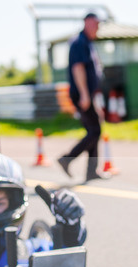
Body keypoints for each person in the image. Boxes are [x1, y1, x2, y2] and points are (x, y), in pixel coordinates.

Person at [57, 12, 109, 182]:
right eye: (95, 24)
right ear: (86, 22)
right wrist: (85, 95)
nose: (97, 28)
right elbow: (78, 69)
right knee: (95, 130)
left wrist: (92, 98)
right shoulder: (79, 42)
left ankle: (91, 171)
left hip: (87, 94)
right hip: (81, 93)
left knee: (94, 130)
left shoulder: (87, 43)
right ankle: (68, 158)